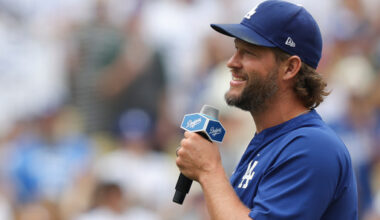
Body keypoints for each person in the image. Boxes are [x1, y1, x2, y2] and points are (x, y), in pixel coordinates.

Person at [175, 0, 358, 219]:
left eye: (249, 52)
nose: (232, 62)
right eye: (236, 50)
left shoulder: (313, 147)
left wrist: (209, 170)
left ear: (290, 68)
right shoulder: (270, 142)